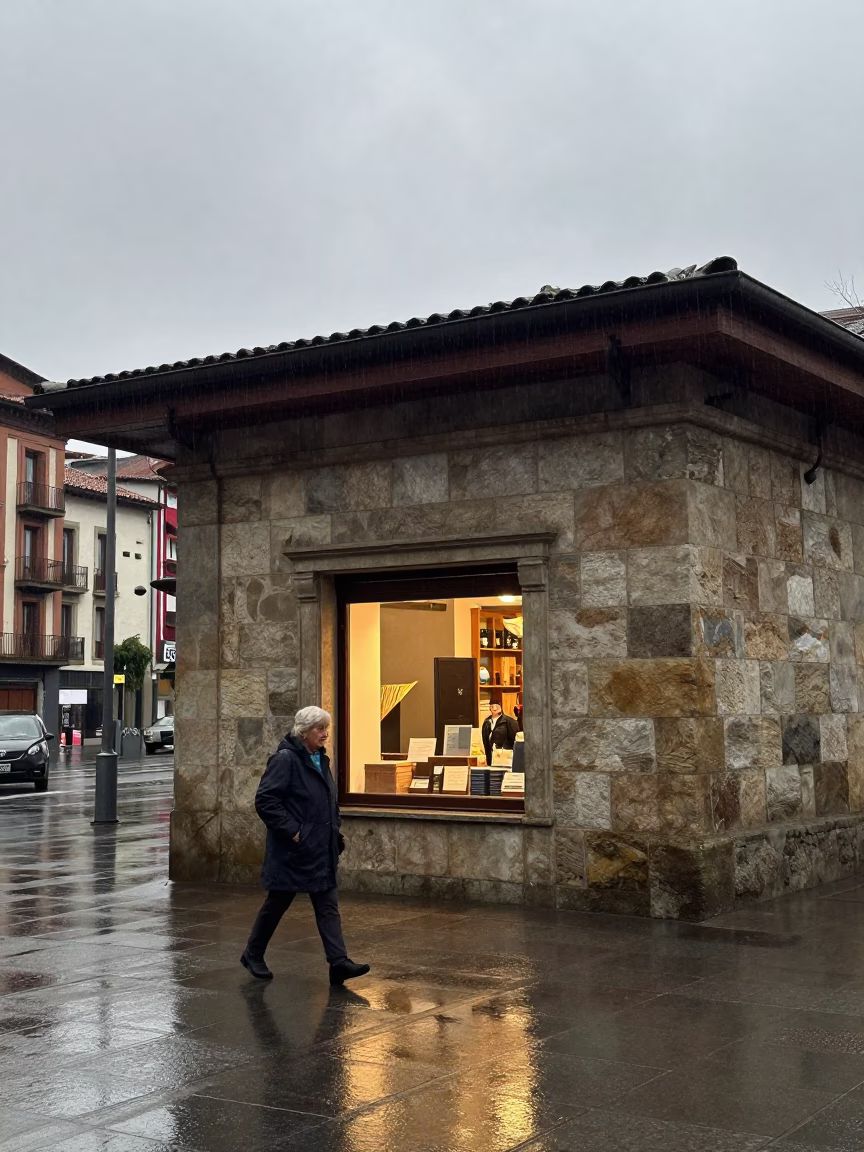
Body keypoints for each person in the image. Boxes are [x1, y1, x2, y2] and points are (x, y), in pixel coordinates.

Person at [241, 705, 370, 985]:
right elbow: (265, 801)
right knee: (277, 902)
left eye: (326, 728)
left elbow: (327, 798)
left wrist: (334, 827)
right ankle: (253, 953)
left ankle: (338, 963)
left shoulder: (320, 759)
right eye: (318, 729)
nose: (324, 734)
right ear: (303, 732)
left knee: (327, 905)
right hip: (294, 849)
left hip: (321, 846)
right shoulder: (286, 759)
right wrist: (294, 831)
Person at [482, 701, 519, 766]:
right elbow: (485, 742)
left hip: (505, 758)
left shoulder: (509, 722)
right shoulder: (486, 722)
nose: (494, 708)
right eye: (492, 706)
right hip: (491, 758)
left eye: (497, 706)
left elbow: (515, 740)